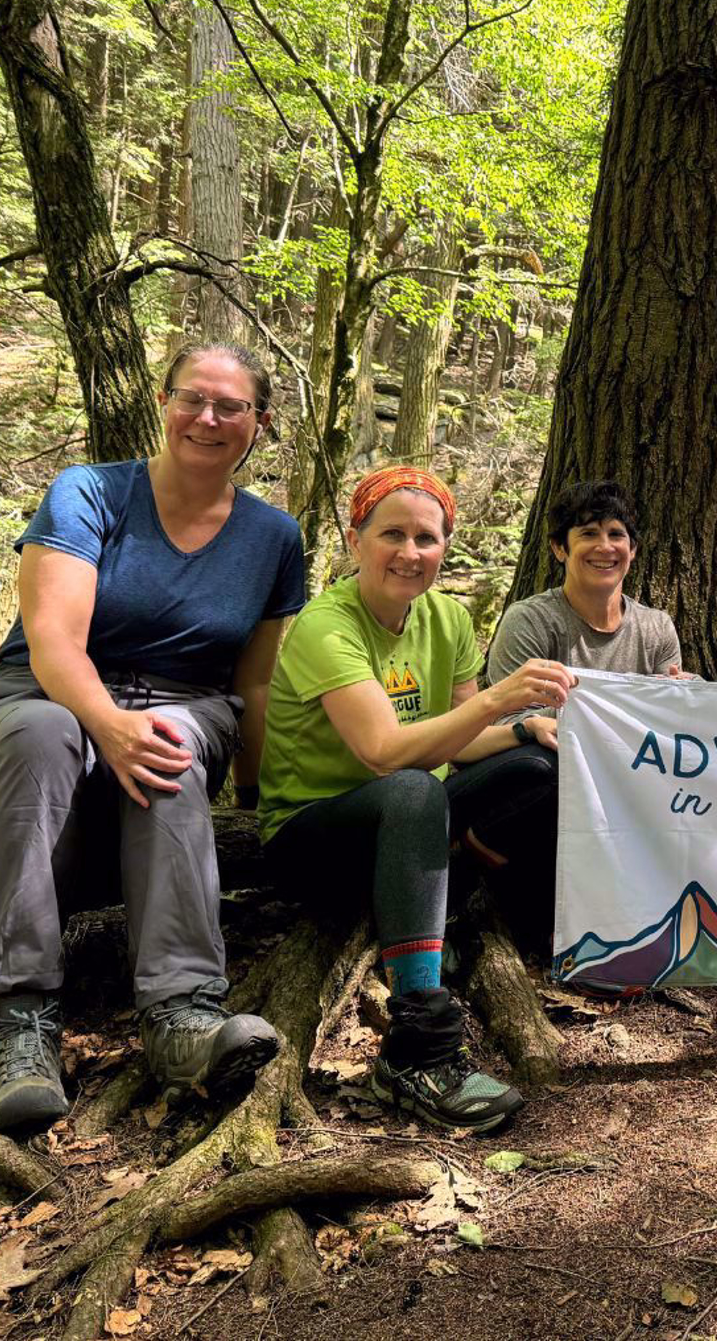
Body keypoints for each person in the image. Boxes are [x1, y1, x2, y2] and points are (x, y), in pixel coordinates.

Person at [0, 344, 304, 1132]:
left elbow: (255, 683)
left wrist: (256, 795)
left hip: (181, 710)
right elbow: (54, 644)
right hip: (29, 709)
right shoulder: (91, 492)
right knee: (44, 727)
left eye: (231, 406)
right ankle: (19, 1025)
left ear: (260, 422)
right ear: (165, 403)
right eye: (192, 397)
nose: (208, 417)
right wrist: (109, 726)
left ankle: (184, 1017)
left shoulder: (274, 536)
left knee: (170, 734)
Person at [259, 467, 574, 1132]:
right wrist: (498, 699)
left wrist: (523, 729)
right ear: (356, 540)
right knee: (411, 789)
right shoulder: (326, 626)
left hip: (409, 813)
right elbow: (383, 752)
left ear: (444, 548)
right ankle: (417, 1050)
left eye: (426, 538)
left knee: (535, 767)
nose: (409, 552)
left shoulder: (447, 618)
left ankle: (446, 908)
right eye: (392, 535)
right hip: (311, 835)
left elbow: (464, 738)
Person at [479, 479, 682, 937]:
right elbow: (506, 721)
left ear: (632, 548)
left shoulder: (655, 628)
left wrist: (683, 697)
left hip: (629, 784)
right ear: (559, 548)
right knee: (541, 768)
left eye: (616, 534)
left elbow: (666, 727)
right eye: (588, 533)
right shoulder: (531, 621)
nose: (604, 547)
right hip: (543, 785)